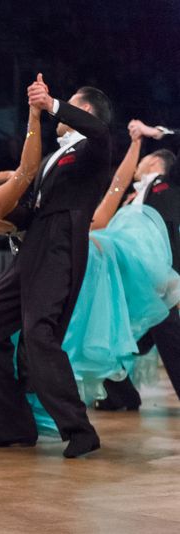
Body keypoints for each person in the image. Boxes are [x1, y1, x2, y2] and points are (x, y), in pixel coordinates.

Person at [0, 121, 180, 436]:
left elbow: (114, 185)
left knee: (49, 342)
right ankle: (34, 417)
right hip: (59, 259)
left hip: (82, 259)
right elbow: (116, 183)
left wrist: (20, 173)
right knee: (43, 342)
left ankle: (63, 420)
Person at [0, 75, 111, 458]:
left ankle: (79, 430)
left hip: (61, 243)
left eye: (71, 104)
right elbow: (26, 208)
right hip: (31, 247)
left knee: (39, 334)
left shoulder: (95, 146)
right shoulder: (53, 157)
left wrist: (50, 105)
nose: (60, 111)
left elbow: (97, 129)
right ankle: (13, 428)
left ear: (83, 111)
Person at [95, 120, 180, 411]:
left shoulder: (170, 184)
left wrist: (153, 133)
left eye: (143, 159)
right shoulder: (131, 198)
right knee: (105, 334)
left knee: (165, 328)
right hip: (129, 285)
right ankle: (121, 394)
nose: (136, 166)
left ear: (156, 162)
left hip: (163, 279)